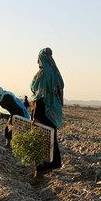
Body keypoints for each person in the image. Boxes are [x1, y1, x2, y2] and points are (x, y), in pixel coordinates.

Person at [30, 47, 64, 176]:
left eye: (38, 58)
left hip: (43, 112)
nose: (37, 61)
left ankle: (41, 170)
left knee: (40, 141)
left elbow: (39, 97)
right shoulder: (55, 74)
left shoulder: (43, 75)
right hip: (52, 112)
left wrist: (36, 117)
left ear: (41, 58)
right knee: (50, 139)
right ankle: (49, 166)